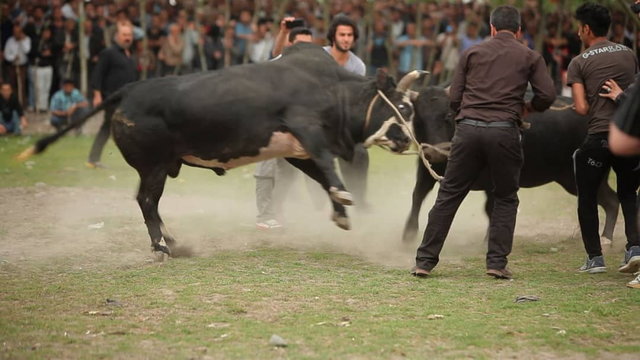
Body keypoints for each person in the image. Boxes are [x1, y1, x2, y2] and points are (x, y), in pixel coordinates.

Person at [412, 5, 555, 279]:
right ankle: (496, 264)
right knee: (505, 197)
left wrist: (464, 117)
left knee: (449, 195)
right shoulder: (530, 56)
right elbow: (547, 95)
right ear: (519, 31)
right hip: (504, 131)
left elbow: (454, 98)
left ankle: (424, 262)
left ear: (491, 28)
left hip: (467, 131)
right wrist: (527, 108)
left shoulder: (472, 52)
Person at [566, 2, 640, 275]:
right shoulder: (629, 54)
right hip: (628, 135)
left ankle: (595, 259)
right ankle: (635, 248)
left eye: (578, 28)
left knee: (586, 196)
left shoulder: (578, 62)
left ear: (586, 28)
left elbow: (582, 108)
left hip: (598, 137)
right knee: (629, 194)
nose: (577, 33)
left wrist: (581, 101)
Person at [254, 23, 313, 230]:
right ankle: (264, 215)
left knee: (288, 172)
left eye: (308, 45)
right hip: (269, 125)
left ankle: (277, 211)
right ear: (290, 44)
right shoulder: (275, 65)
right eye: (300, 44)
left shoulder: (312, 70)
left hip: (293, 128)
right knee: (266, 170)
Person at [323, 15, 370, 210]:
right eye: (342, 34)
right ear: (333, 36)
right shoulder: (319, 56)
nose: (346, 39)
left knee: (360, 153)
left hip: (342, 123)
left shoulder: (357, 66)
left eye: (350, 35)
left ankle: (358, 199)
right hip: (315, 120)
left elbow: (355, 102)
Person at [87, 22, 137, 169]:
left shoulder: (130, 55)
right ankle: (93, 158)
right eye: (124, 35)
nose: (127, 38)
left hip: (129, 99)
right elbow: (98, 74)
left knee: (120, 128)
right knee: (111, 128)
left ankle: (94, 158)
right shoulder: (109, 53)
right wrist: (97, 95)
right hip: (113, 98)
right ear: (117, 36)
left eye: (129, 35)